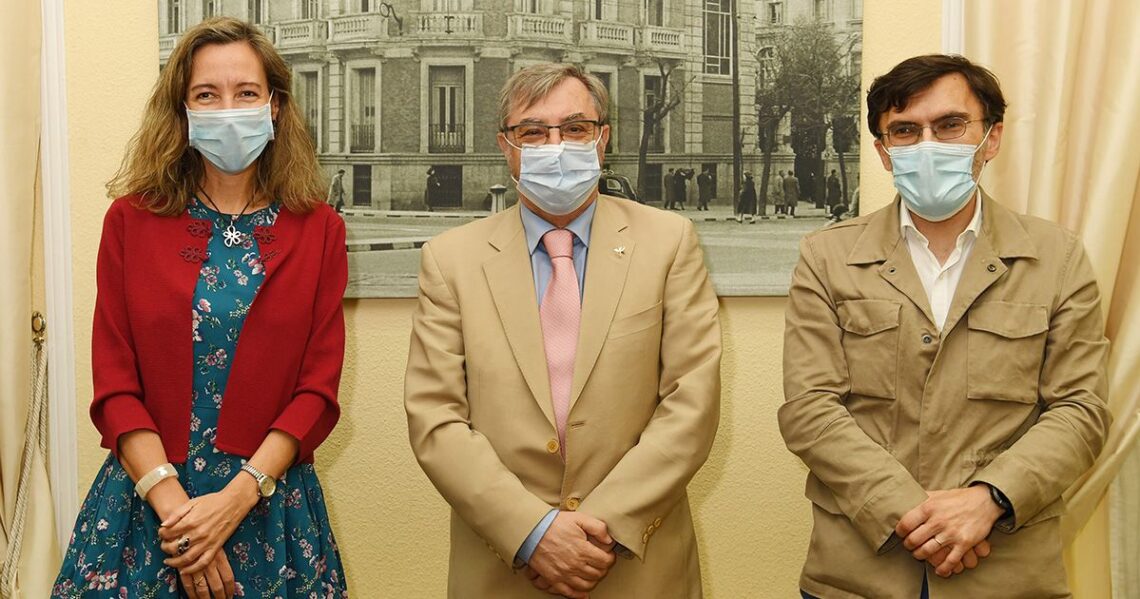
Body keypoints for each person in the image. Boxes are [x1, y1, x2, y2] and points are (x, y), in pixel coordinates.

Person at [779, 54, 1110, 599]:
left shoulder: (1058, 256)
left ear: (992, 137)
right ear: (884, 153)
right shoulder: (826, 256)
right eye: (905, 130)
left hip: (1007, 569)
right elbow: (810, 409)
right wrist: (911, 512)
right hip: (859, 571)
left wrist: (989, 498)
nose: (928, 144)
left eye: (951, 125)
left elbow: (1081, 409)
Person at [52, 18, 349, 599]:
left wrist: (234, 501)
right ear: (182, 110)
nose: (227, 108)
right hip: (148, 509)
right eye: (206, 94)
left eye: (246, 93)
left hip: (269, 507)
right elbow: (114, 385)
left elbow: (317, 392)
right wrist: (180, 518)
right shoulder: (129, 221)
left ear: (276, 107)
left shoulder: (319, 229)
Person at [405, 63, 721, 599]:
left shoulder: (669, 243)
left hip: (636, 567)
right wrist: (535, 534)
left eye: (574, 128)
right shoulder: (450, 260)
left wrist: (598, 530)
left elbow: (691, 405)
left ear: (603, 140)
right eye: (533, 131)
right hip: (505, 569)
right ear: (507, 146)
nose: (555, 145)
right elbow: (436, 419)